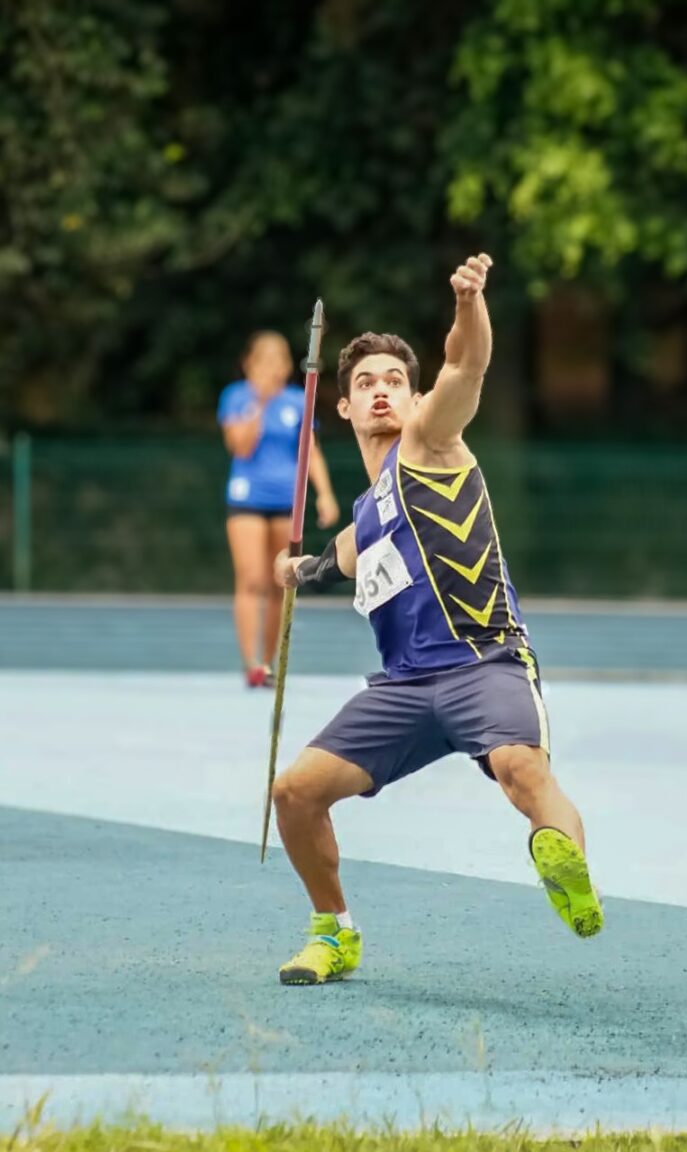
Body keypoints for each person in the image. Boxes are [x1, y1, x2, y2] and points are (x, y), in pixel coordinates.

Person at [272, 254, 603, 985]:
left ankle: (566, 862)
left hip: (484, 663)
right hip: (404, 689)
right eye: (366, 383)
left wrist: (468, 303)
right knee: (294, 794)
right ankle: (334, 933)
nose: (382, 391)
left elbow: (468, 367)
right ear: (345, 408)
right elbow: (345, 557)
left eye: (395, 380)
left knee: (523, 770)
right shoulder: (364, 510)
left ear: (414, 396)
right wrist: (298, 572)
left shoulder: (431, 441)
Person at [218, 330, 340, 687]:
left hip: (286, 501)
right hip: (247, 499)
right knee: (251, 578)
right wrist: (260, 403)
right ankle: (250, 663)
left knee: (278, 582)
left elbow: (310, 450)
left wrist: (325, 493)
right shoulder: (236, 397)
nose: (272, 368)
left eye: (279, 360)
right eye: (264, 360)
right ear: (249, 364)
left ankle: (269, 663)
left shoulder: (298, 400)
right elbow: (239, 446)